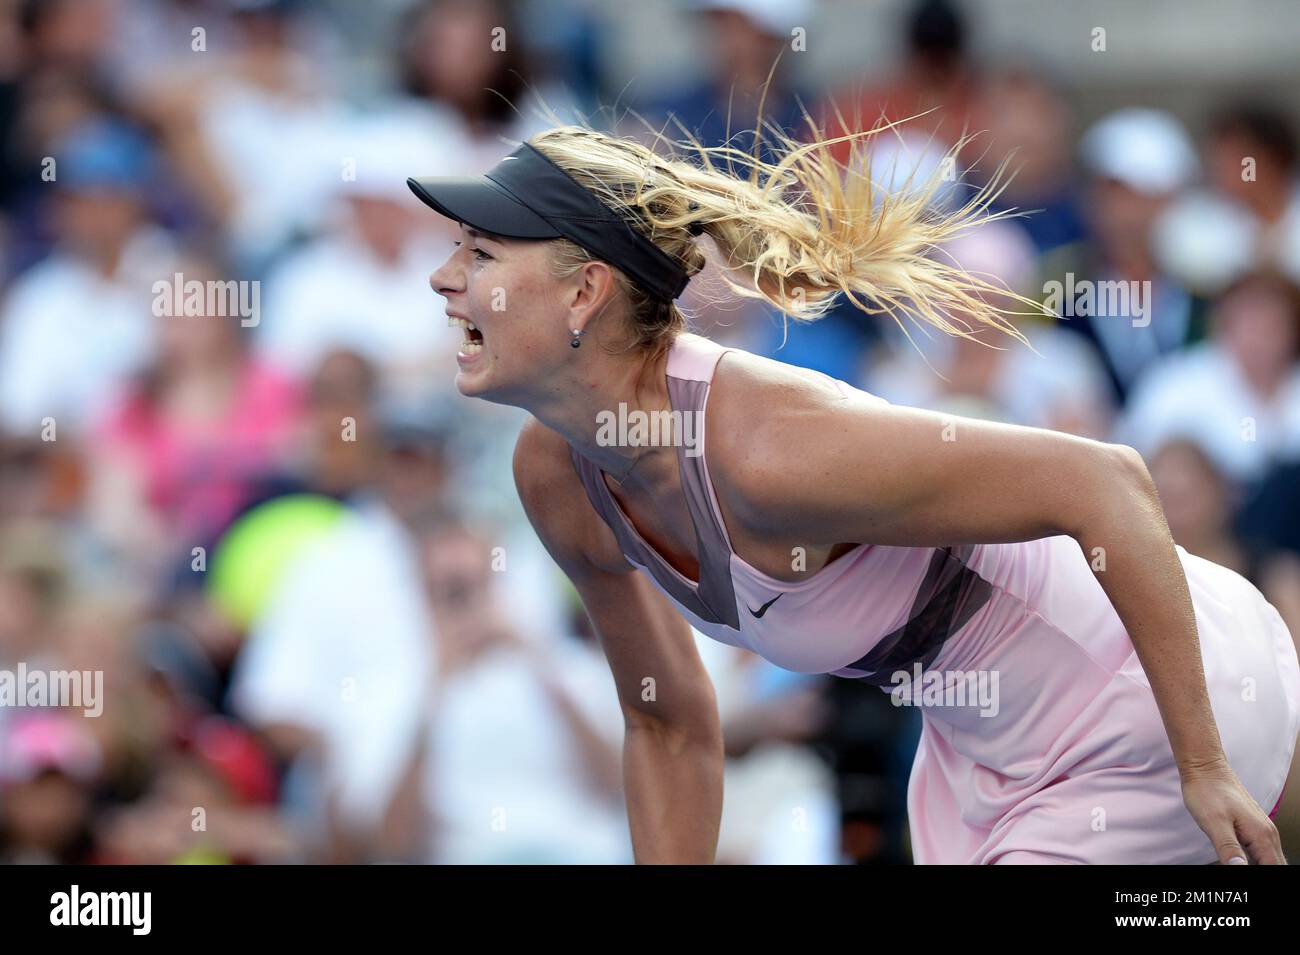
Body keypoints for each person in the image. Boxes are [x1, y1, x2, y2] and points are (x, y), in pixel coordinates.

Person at [405, 119, 1299, 864]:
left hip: (1155, 701)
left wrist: (1205, 760)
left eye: (479, 253)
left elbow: (1107, 480)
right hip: (981, 755)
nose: (446, 279)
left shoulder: (762, 448)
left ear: (584, 294)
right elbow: (669, 721)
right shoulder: (554, 474)